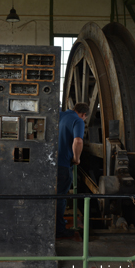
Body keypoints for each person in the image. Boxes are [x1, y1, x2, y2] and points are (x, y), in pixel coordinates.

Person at [56, 102, 89, 238]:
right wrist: (77, 158)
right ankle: (59, 230)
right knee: (60, 198)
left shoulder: (60, 115)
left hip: (51, 163)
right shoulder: (78, 120)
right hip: (63, 166)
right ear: (83, 114)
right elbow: (78, 141)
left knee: (50, 197)